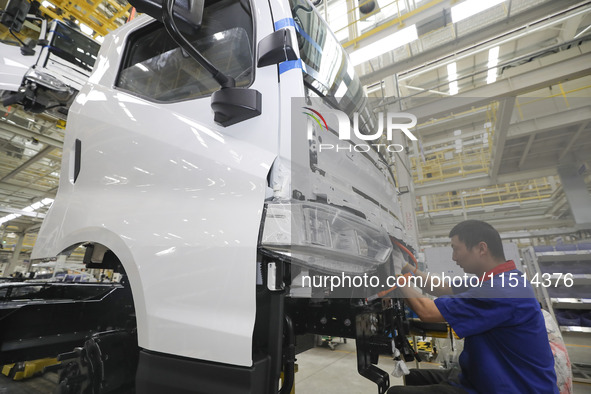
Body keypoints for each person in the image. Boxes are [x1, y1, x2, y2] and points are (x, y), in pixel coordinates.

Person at [389, 220, 558, 394]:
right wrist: (404, 266)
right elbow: (442, 288)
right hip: (485, 377)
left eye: (456, 249)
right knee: (413, 377)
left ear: (481, 248)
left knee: (396, 392)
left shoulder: (500, 290)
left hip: (512, 388)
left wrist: (395, 275)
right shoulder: (501, 279)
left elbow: (428, 312)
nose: (454, 257)